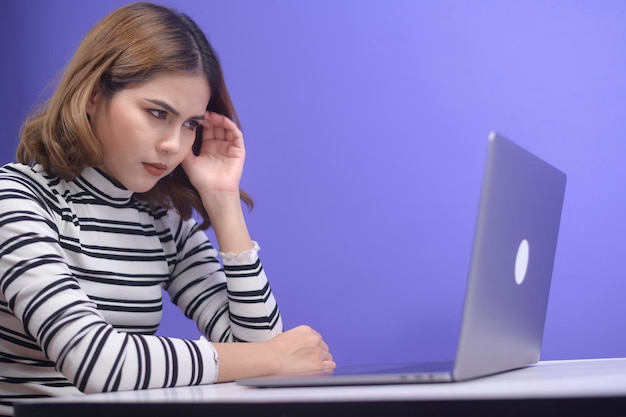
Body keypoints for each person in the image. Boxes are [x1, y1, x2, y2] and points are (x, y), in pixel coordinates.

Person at [0, 2, 335, 415]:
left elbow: (260, 353)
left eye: (190, 124)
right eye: (157, 113)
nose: (173, 146)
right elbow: (95, 363)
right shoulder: (16, 199)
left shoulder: (162, 221)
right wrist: (271, 358)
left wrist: (222, 200)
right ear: (91, 96)